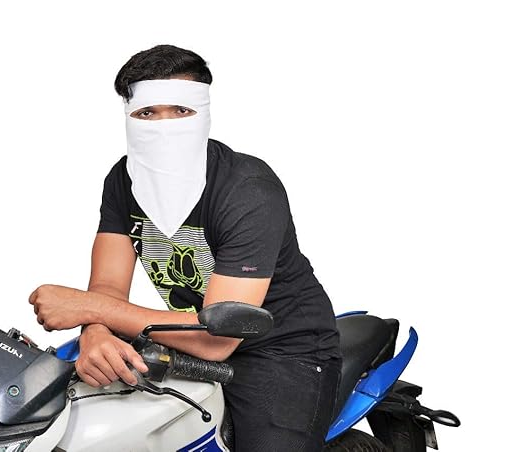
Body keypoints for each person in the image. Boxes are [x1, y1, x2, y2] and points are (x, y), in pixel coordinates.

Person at [29, 44, 341, 451]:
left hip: (283, 348)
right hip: (185, 337)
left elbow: (219, 339)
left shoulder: (248, 190)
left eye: (180, 110)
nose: (165, 127)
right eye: (147, 113)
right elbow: (107, 286)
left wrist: (88, 310)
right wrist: (95, 333)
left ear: (204, 112)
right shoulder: (123, 181)